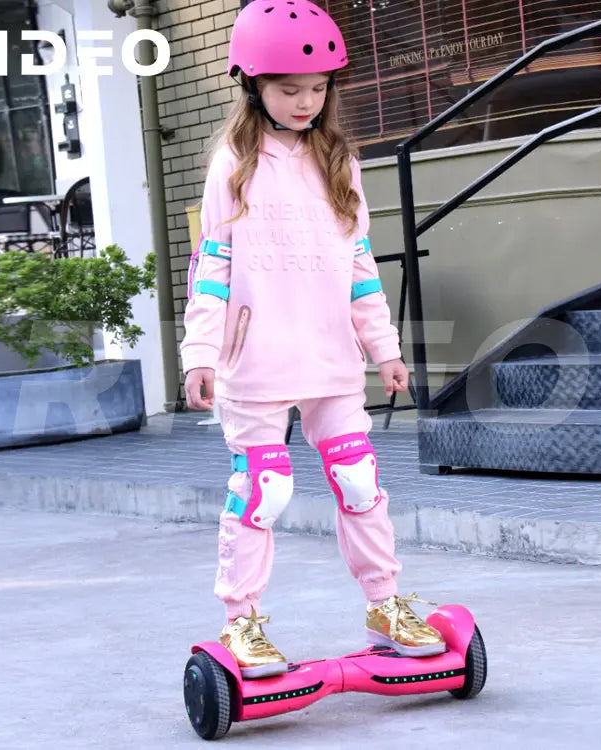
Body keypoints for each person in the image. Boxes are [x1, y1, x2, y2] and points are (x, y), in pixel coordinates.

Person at [181, 0, 446, 680]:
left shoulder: (340, 162)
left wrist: (385, 348)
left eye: (318, 88)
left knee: (359, 481)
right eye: (288, 88)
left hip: (332, 357)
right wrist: (200, 354)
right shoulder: (233, 166)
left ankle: (385, 606)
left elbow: (360, 268)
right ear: (252, 86)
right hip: (257, 359)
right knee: (263, 490)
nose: (305, 101)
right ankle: (241, 621)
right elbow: (211, 270)